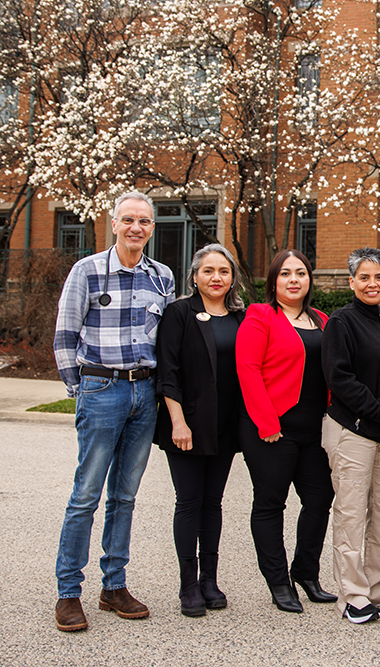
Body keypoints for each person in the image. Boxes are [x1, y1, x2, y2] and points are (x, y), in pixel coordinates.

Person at [52, 191, 175, 632]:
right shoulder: (86, 271)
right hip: (101, 388)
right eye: (128, 220)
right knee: (86, 494)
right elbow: (65, 335)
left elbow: (165, 341)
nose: (136, 228)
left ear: (152, 228)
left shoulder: (162, 277)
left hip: (144, 394)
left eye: (144, 221)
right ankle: (68, 592)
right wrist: (80, 389)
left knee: (125, 496)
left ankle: (114, 586)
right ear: (115, 223)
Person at [236, 249, 335, 613]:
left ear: (310, 280)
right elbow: (247, 369)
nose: (294, 279)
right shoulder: (260, 315)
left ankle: (307, 573)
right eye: (285, 274)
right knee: (270, 503)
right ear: (273, 281)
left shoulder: (323, 320)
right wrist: (266, 423)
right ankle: (278, 581)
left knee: (320, 499)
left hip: (314, 431)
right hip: (272, 429)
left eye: (301, 273)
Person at [321, 247, 380, 625]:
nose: (372, 283)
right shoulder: (341, 323)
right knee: (351, 513)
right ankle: (353, 594)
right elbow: (339, 378)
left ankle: (379, 584)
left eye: (378, 277)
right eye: (364, 277)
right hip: (352, 431)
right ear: (352, 282)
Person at [154, 244, 246, 618]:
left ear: (232, 278)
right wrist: (177, 421)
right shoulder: (180, 313)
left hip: (225, 426)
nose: (216, 278)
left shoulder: (241, 317)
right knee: (189, 503)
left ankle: (210, 579)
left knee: (213, 503)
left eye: (223, 271)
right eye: (208, 271)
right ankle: (188, 585)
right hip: (187, 425)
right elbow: (168, 370)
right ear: (194, 276)